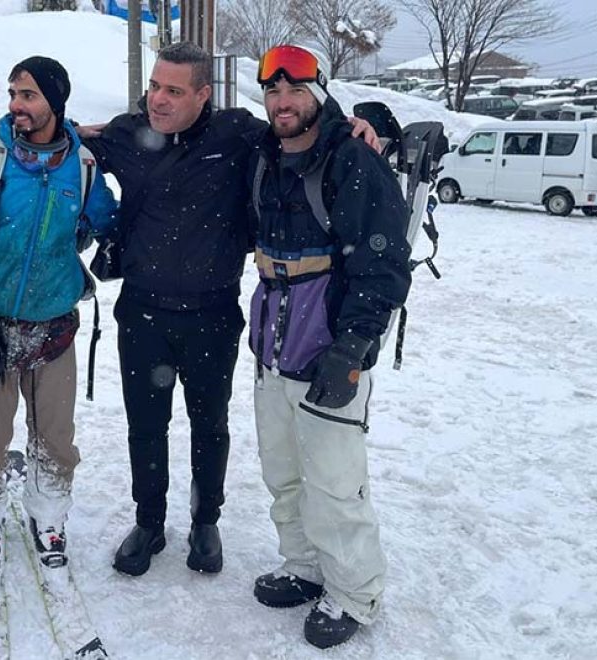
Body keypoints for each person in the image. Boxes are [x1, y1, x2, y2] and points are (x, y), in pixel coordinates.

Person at [69, 41, 378, 578]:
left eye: (172, 90)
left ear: (203, 94)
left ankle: (205, 521)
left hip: (212, 313)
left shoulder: (237, 134)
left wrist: (358, 124)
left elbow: (302, 129)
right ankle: (148, 521)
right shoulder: (128, 133)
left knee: (208, 424)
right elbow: (69, 137)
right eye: (154, 87)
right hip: (142, 312)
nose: (157, 101)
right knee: (146, 425)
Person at [246, 44, 410, 649]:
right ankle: (304, 566)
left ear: (318, 92)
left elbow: (384, 266)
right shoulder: (264, 156)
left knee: (336, 481)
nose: (282, 103)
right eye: (272, 92)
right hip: (271, 346)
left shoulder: (352, 162)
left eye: (294, 91)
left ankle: (353, 591)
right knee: (283, 471)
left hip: (329, 348)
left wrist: (354, 347)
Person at [0, 57, 119, 593]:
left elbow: (105, 221)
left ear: (55, 103)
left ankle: (49, 519)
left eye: (29, 95)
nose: (17, 105)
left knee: (55, 441)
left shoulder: (82, 167)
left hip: (54, 326)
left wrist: (110, 246)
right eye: (13, 93)